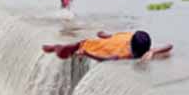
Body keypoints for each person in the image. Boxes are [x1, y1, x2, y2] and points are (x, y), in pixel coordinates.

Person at [42, 30, 173, 62]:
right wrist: (87, 53)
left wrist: (154, 51)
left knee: (67, 50)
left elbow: (169, 46)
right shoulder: (125, 54)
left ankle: (57, 47)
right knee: (62, 54)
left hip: (92, 45)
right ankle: (56, 47)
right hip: (88, 46)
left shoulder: (129, 38)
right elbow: (103, 59)